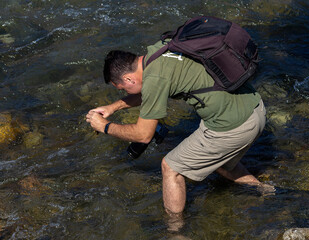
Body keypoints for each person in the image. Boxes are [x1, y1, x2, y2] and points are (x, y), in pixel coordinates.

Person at [86, 41, 274, 227]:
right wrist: (113, 107)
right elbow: (148, 91)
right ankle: (265, 190)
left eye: (123, 88)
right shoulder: (160, 50)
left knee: (171, 167)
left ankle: (175, 230)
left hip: (235, 127)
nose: (124, 91)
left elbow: (143, 135)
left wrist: (105, 127)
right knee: (218, 161)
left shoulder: (154, 79)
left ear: (128, 79)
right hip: (255, 109)